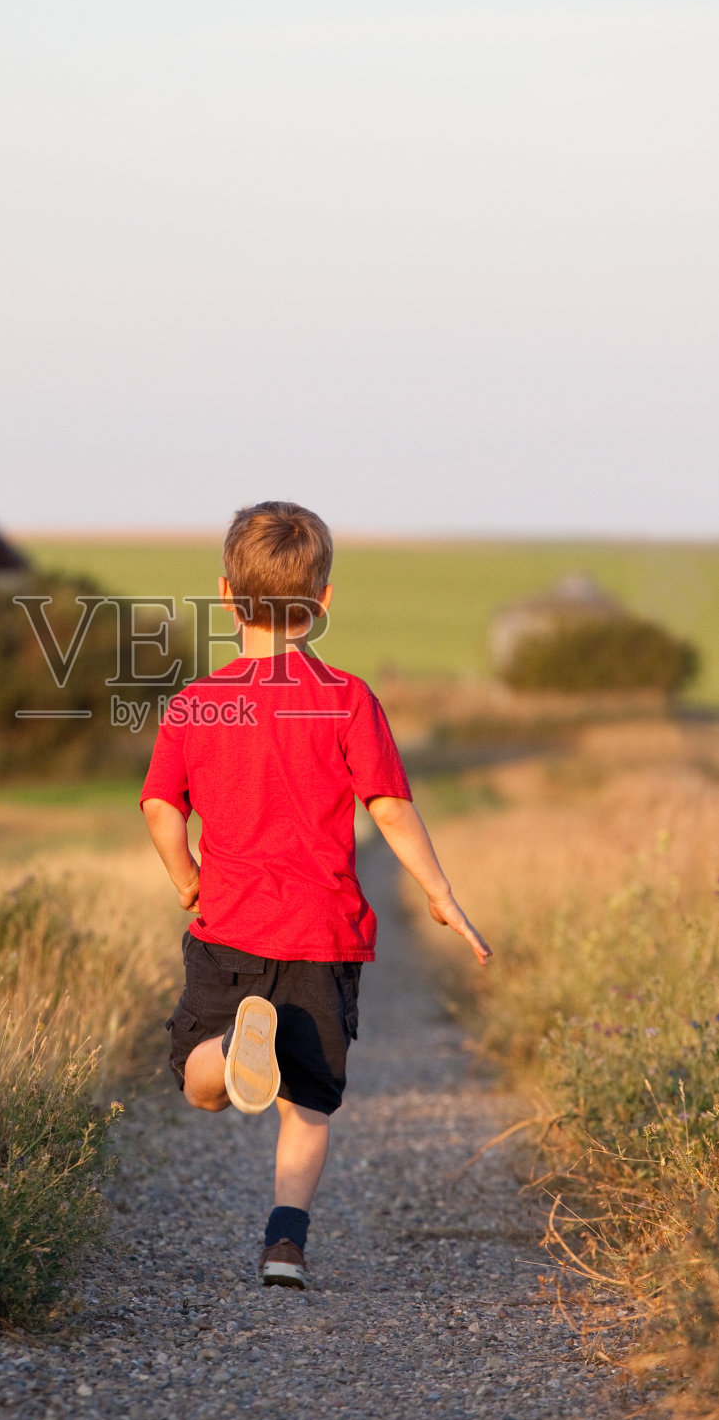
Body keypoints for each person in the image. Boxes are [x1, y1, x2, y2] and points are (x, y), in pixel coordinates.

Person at [140, 501, 492, 1290]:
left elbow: (161, 806)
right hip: (322, 935)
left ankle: (232, 1050)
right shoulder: (346, 698)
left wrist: (186, 876)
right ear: (323, 601)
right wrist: (439, 893)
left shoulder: (197, 702)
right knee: (307, 1104)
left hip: (230, 928)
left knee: (198, 1081)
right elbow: (389, 810)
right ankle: (284, 1248)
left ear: (226, 596)